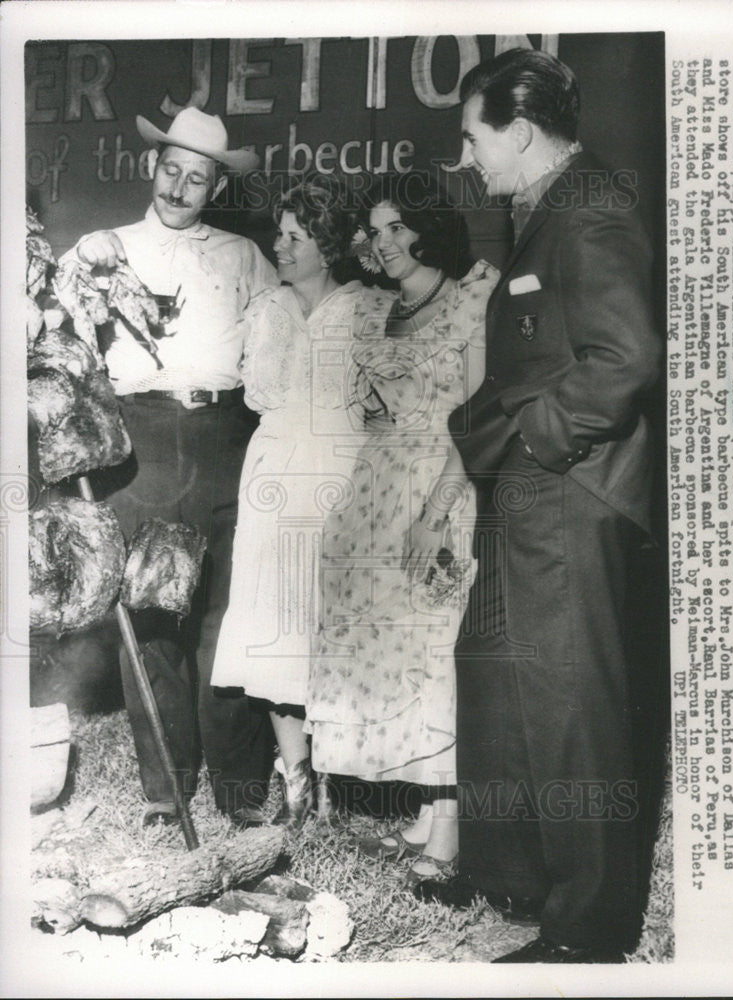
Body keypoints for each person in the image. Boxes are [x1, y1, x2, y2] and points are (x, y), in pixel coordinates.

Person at [413, 49, 662, 964]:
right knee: (509, 682)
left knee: (570, 705)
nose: (470, 158)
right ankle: (520, 879)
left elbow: (624, 361)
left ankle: (588, 929)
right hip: (530, 490)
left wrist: (532, 443)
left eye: (474, 137)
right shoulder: (547, 208)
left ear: (518, 132)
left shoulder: (589, 208)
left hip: (568, 492)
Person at [62, 107, 279, 827]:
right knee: (153, 617)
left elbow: (284, 343)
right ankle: (166, 790)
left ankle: (242, 790)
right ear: (152, 168)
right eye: (172, 171)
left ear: (216, 186)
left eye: (199, 178)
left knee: (226, 612)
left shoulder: (246, 258)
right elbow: (51, 334)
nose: (181, 188)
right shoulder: (103, 249)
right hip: (143, 438)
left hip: (225, 434)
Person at [305, 173, 498, 884]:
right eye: (374, 230)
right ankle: (424, 810)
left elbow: (476, 421)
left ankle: (449, 831)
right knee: (390, 650)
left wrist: (435, 514)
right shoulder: (379, 310)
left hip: (437, 488)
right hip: (375, 489)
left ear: (427, 227)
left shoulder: (471, 298)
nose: (383, 243)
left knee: (433, 652)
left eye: (397, 228)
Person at [211, 175, 364, 827]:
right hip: (275, 479)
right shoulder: (267, 309)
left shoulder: (363, 309)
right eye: (279, 233)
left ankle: (335, 779)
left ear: (327, 245)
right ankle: (296, 779)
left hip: (336, 479)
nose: (280, 245)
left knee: (326, 631)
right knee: (275, 630)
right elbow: (257, 394)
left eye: (296, 236)